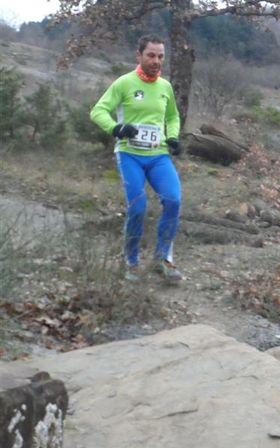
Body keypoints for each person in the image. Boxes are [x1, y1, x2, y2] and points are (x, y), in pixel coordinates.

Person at [90, 34, 183, 282]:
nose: (156, 61)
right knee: (138, 207)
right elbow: (98, 110)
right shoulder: (124, 83)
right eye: (151, 55)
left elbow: (172, 117)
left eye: (161, 56)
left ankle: (163, 258)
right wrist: (116, 129)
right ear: (139, 55)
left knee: (173, 200)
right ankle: (130, 261)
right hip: (129, 154)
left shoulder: (165, 87)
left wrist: (172, 137)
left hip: (158, 155)